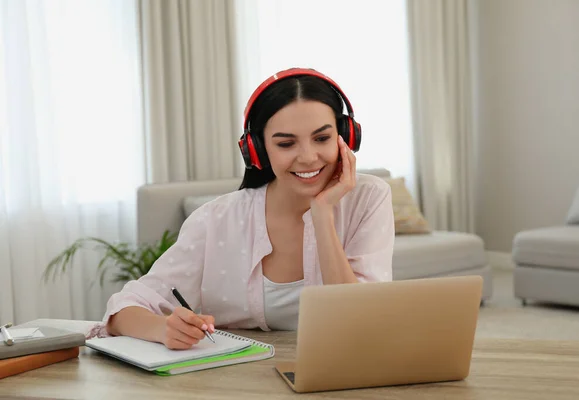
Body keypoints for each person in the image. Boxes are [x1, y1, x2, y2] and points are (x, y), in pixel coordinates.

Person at [95, 68, 395, 349]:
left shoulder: (368, 197)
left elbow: (360, 322)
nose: (307, 157)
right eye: (286, 144)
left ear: (346, 137)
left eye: (322, 138)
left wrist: (322, 214)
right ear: (258, 150)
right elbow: (124, 308)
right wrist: (163, 329)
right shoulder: (216, 220)